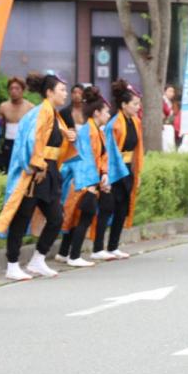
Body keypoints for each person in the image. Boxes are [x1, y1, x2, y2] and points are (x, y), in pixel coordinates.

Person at [0, 73, 72, 281]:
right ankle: (12, 264)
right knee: (22, 217)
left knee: (56, 218)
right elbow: (31, 141)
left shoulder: (53, 113)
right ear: (49, 92)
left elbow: (51, 142)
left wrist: (67, 137)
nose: (65, 93)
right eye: (62, 90)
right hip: (35, 174)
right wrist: (37, 166)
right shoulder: (39, 113)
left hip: (50, 171)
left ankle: (38, 259)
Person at [56, 86, 110, 267]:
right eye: (106, 112)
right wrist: (93, 183)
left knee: (75, 217)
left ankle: (64, 253)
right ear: (97, 113)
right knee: (85, 215)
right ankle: (74, 255)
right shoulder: (90, 131)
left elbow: (101, 157)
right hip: (83, 181)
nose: (108, 115)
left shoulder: (96, 130)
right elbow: (86, 159)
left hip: (87, 179)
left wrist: (103, 174)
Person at [92, 80, 144, 260]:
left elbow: (138, 149)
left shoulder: (135, 121)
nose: (138, 107)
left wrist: (137, 171)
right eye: (135, 104)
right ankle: (98, 248)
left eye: (138, 104)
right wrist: (109, 173)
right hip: (114, 171)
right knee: (107, 208)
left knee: (122, 209)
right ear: (124, 105)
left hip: (127, 169)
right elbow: (109, 150)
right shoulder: (115, 124)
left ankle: (113, 246)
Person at [0, 77, 35, 174]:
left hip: (24, 144)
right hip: (8, 144)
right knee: (7, 170)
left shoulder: (30, 107)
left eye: (17, 88)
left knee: (23, 172)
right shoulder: (3, 107)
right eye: (11, 88)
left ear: (23, 90)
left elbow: (35, 129)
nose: (14, 91)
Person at [161, 85, 177, 152]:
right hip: (164, 126)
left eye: (173, 92)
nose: (172, 93)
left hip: (170, 125)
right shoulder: (162, 101)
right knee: (166, 145)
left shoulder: (170, 102)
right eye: (170, 91)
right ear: (164, 92)